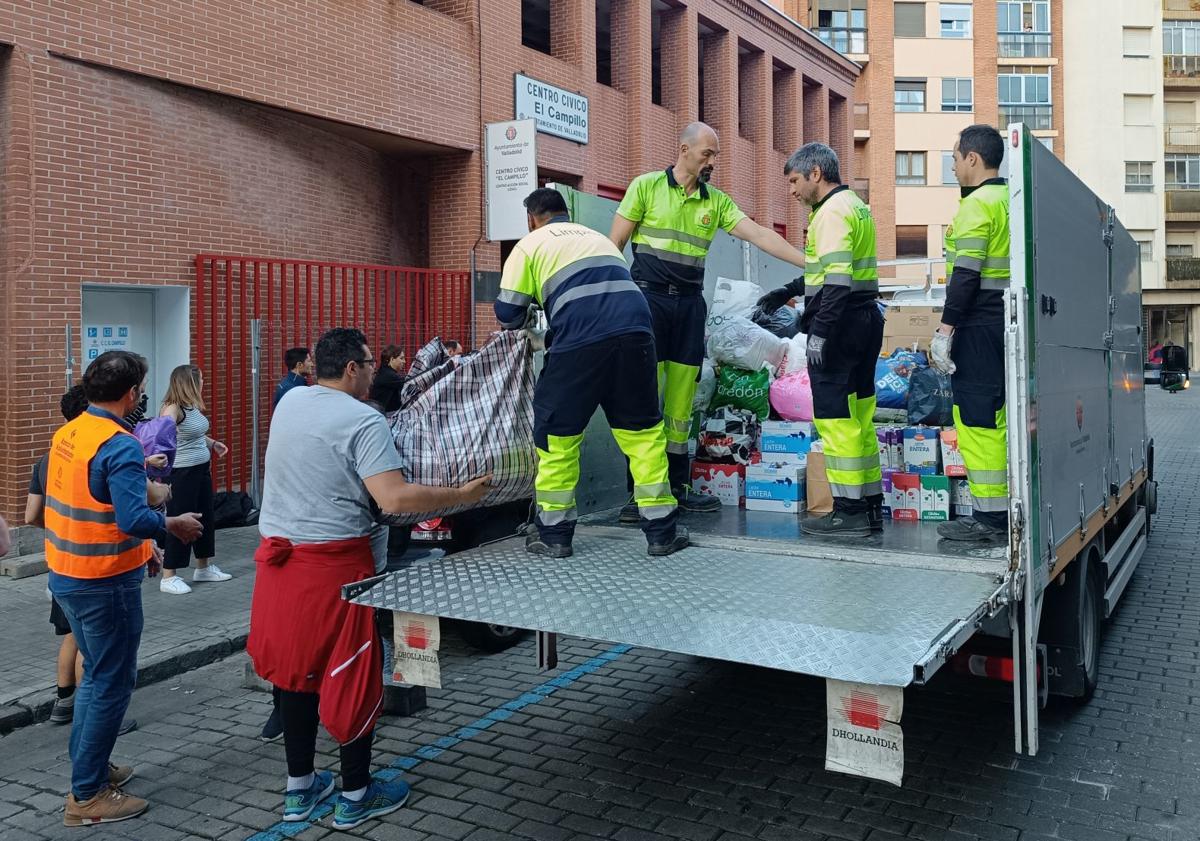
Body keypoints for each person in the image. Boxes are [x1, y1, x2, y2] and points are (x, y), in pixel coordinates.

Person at [249, 327, 491, 830]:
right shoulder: (363, 419)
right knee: (353, 671)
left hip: (278, 565)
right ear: (355, 369)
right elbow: (394, 499)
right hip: (335, 565)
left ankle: (300, 789)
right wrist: (462, 494)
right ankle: (356, 794)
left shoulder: (290, 404)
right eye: (369, 364)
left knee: (297, 676)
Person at [610, 121, 809, 520]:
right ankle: (640, 497)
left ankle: (679, 489)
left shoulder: (714, 201)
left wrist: (810, 263)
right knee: (645, 398)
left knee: (681, 404)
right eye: (708, 153)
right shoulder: (645, 187)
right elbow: (613, 246)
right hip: (646, 301)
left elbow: (758, 234)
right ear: (684, 149)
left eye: (715, 155)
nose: (712, 161)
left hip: (687, 307)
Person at [45, 350, 203, 827]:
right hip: (103, 582)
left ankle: (91, 769)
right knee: (111, 681)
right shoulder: (120, 445)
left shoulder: (69, 433)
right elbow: (133, 517)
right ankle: (87, 795)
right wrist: (171, 525)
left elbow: (90, 504)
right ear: (133, 394)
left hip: (67, 574)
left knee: (96, 677)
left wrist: (144, 549)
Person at [496, 188, 687, 558]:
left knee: (558, 437)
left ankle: (554, 536)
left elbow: (507, 314)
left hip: (579, 341)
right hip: (637, 334)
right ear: (567, 213)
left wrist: (534, 310)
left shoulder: (530, 244)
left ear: (532, 219)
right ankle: (662, 533)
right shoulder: (598, 239)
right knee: (643, 434)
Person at [759, 143, 883, 537]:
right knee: (859, 417)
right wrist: (785, 291)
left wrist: (820, 333)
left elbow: (836, 282)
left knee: (835, 419)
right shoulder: (853, 206)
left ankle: (848, 512)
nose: (791, 190)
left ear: (815, 173)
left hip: (841, 326)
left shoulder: (829, 213)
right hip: (864, 320)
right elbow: (825, 270)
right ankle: (868, 504)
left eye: (794, 180)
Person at [30, 385, 168, 728]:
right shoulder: (114, 447)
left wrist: (65, 528)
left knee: (72, 638)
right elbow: (132, 514)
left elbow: (33, 514)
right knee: (97, 663)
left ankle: (65, 703)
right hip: (98, 571)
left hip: (62, 564)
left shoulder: (57, 447)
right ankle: (99, 722)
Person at [930, 124, 1011, 542]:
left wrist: (946, 330)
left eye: (956, 156)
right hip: (1006, 320)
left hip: (978, 323)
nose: (954, 164)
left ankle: (991, 519)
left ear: (973, 159)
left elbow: (966, 274)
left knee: (978, 420)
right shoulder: (1012, 200)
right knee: (1000, 416)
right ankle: (1003, 511)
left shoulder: (977, 205)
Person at [159, 365, 230, 594]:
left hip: (200, 470)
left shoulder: (191, 407)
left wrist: (212, 444)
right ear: (188, 382)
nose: (203, 383)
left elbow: (194, 433)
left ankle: (203, 567)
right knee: (180, 520)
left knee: (205, 517)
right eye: (200, 380)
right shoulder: (173, 408)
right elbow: (162, 434)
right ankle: (169, 575)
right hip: (181, 474)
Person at [368, 345, 406, 412]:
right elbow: (410, 383)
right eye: (401, 358)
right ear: (392, 359)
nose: (404, 361)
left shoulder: (385, 372)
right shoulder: (389, 375)